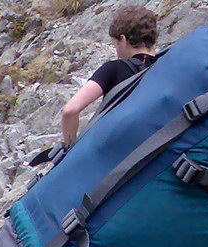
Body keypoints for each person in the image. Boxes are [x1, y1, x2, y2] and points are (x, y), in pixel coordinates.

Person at [60, 6, 158, 146]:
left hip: (120, 154)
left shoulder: (114, 69)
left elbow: (70, 110)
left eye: (115, 44)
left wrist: (68, 148)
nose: (116, 51)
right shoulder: (166, 66)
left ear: (123, 40)